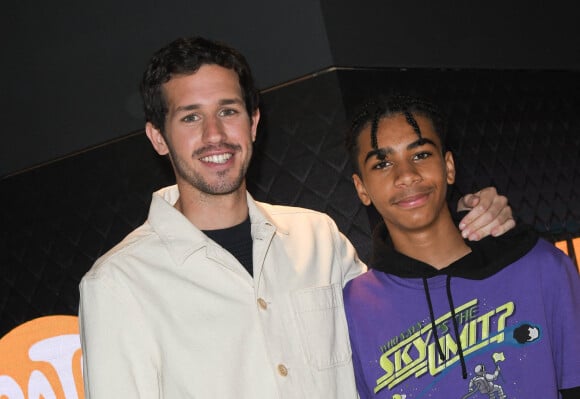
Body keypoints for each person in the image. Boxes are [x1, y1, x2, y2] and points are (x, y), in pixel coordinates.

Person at [78, 37, 515, 398]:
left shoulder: (317, 236)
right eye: (190, 117)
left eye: (228, 111)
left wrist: (458, 222)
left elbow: (405, 322)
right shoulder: (119, 285)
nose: (214, 135)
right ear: (158, 137)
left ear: (252, 123)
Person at [343, 95, 580, 398]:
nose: (406, 176)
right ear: (362, 188)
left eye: (420, 155)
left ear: (449, 166)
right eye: (383, 163)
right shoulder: (354, 308)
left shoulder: (541, 267)